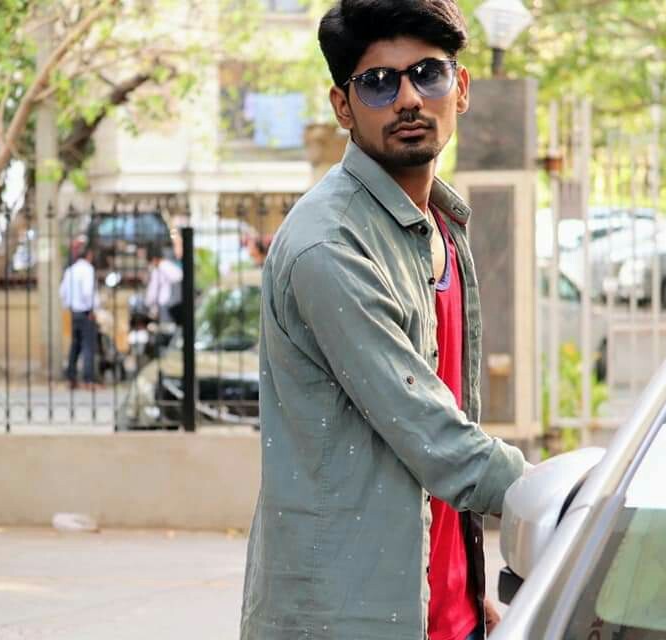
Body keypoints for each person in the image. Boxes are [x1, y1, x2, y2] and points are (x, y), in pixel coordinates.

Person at [240, 2, 528, 639]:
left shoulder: (440, 225)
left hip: (439, 609)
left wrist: (461, 583)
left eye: (428, 73)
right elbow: (431, 432)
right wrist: (553, 496)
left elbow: (447, 416)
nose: (408, 99)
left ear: (461, 88)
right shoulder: (330, 246)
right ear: (343, 107)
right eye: (377, 83)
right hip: (350, 617)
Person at [59, 243, 98, 389]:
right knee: (88, 346)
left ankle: (71, 378)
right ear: (89, 255)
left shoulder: (70, 270)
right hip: (86, 312)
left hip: (73, 312)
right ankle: (88, 379)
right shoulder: (88, 269)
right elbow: (88, 292)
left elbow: (62, 293)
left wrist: (68, 306)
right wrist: (92, 309)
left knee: (75, 346)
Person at [144, 244, 183, 326]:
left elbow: (153, 290)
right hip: (169, 304)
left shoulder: (161, 267)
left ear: (154, 259)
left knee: (166, 326)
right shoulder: (165, 266)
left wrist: (148, 303)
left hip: (165, 304)